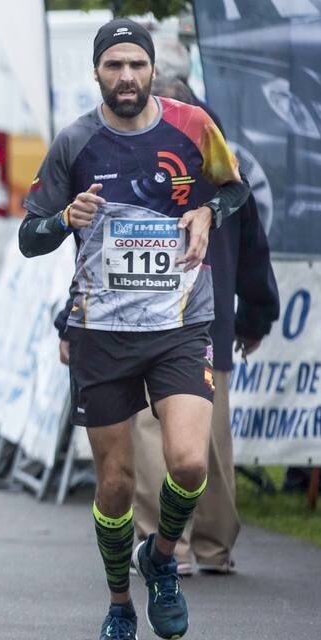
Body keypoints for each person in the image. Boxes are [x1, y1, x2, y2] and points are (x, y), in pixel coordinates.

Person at [19, 19, 249, 640]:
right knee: (116, 485)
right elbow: (30, 237)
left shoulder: (193, 127)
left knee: (189, 463)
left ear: (152, 69)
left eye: (136, 65)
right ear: (97, 73)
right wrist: (65, 218)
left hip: (180, 325)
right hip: (102, 333)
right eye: (114, 66)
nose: (126, 77)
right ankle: (120, 605)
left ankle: (164, 557)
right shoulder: (75, 142)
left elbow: (234, 191)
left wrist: (206, 210)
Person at [130, 79, 280, 575]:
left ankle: (166, 548)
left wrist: (73, 322)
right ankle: (214, 547)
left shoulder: (139, 169)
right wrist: (254, 318)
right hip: (214, 327)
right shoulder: (227, 178)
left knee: (156, 433)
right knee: (211, 443)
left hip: (151, 325)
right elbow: (255, 252)